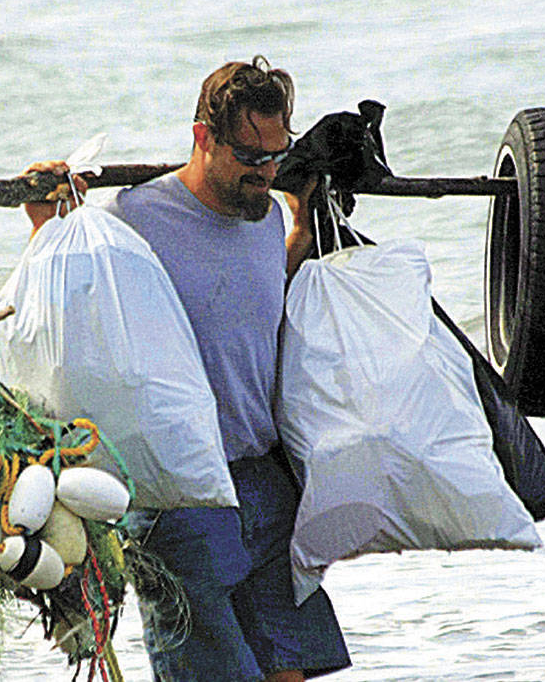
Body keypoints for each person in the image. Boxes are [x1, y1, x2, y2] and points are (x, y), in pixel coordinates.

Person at [25, 56, 350, 682]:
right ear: (203, 137)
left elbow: (251, 308)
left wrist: (301, 234)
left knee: (291, 671)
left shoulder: (269, 218)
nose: (267, 173)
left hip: (264, 480)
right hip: (177, 500)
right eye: (251, 158)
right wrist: (45, 226)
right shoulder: (130, 217)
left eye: (276, 155)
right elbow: (63, 320)